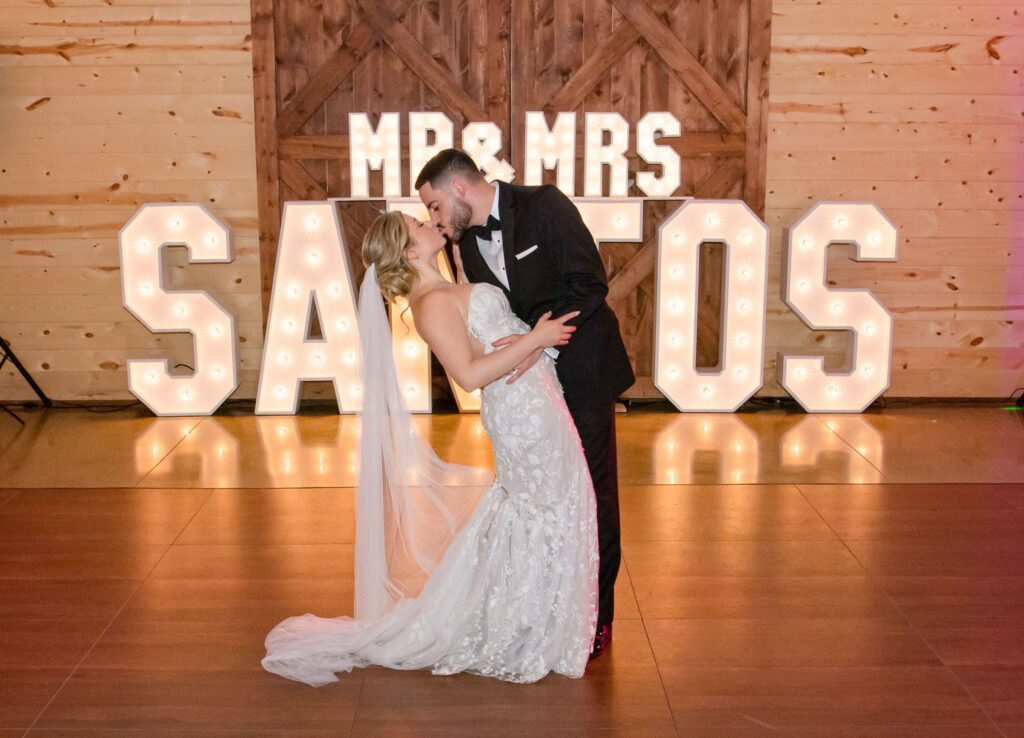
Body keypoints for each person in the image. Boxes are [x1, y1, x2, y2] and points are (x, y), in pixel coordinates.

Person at [261, 210, 599, 686]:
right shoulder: (430, 303)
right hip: (523, 418)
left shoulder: (448, 284)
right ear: (409, 251)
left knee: (556, 506)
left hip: (538, 402)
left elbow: (483, 347)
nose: (429, 222)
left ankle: (536, 621)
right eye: (417, 223)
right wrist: (537, 339)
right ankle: (528, 629)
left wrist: (528, 341)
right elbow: (469, 374)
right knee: (545, 510)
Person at [416, 149, 634, 656]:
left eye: (434, 206)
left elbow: (589, 283)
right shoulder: (465, 245)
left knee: (594, 496)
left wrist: (538, 337)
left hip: (581, 369)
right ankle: (549, 610)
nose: (435, 218)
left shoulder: (545, 206)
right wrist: (522, 348)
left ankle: (598, 618)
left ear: (460, 189)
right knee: (545, 501)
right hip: (528, 392)